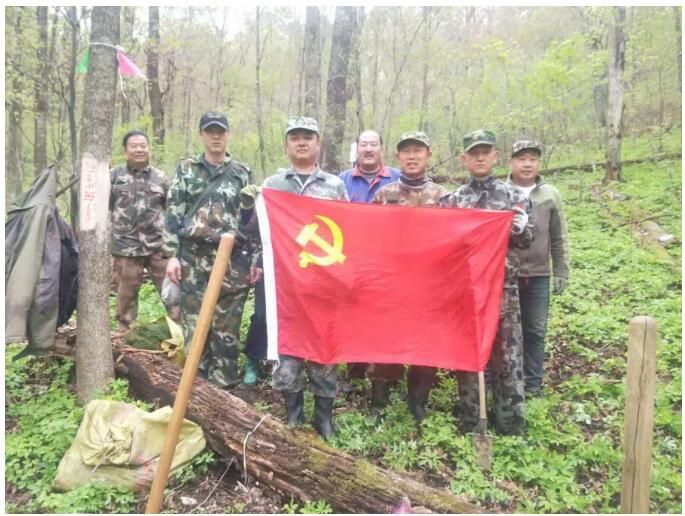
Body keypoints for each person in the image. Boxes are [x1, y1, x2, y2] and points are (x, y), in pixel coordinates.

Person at [261, 116, 348, 439]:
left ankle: (324, 418)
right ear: (286, 145)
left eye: (308, 137)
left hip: (324, 284)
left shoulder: (335, 186)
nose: (301, 142)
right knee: (288, 349)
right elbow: (263, 233)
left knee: (324, 349)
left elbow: (348, 230)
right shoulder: (272, 185)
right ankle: (293, 415)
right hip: (286, 285)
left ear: (318, 143)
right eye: (295, 137)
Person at [442, 129, 532, 436]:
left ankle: (511, 424)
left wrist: (520, 228)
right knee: (468, 355)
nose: (480, 158)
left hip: (503, 289)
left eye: (485, 152)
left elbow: (526, 242)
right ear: (464, 158)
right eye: (474, 153)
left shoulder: (513, 197)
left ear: (495, 156)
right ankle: (472, 421)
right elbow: (445, 247)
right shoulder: (453, 201)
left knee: (508, 357)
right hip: (466, 291)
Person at [162, 111, 259, 389]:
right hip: (193, 257)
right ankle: (198, 387)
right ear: (201, 135)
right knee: (195, 326)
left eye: (220, 132)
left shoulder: (241, 172)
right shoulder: (186, 168)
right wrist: (171, 256)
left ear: (228, 135)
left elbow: (252, 220)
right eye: (210, 131)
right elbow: (174, 211)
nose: (216, 137)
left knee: (227, 326)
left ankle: (225, 387)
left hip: (232, 259)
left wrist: (255, 258)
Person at [371, 131, 447, 423]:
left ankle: (418, 400)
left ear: (428, 155)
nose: (412, 156)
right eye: (406, 151)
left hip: (429, 285)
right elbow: (370, 236)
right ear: (397, 157)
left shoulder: (442, 196)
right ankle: (379, 399)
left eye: (418, 151)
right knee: (385, 340)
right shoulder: (384, 195)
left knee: (425, 342)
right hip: (391, 283)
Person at [507, 139, 569, 397]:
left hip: (539, 274)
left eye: (532, 159)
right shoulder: (502, 193)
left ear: (539, 163)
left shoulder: (550, 195)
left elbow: (559, 236)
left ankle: (532, 384)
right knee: (509, 332)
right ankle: (510, 381)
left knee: (535, 330)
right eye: (522, 159)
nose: (527, 164)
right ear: (511, 162)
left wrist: (561, 271)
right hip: (506, 275)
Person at [338, 130, 400, 386]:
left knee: (387, 320)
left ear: (381, 149)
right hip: (354, 263)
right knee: (355, 318)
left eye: (373, 144)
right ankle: (354, 374)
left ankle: (387, 377)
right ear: (357, 149)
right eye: (364, 144)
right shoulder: (342, 180)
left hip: (389, 264)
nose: (368, 149)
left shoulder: (397, 178)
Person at [110, 130, 170, 335]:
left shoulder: (161, 177)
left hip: (158, 246)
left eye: (143, 146)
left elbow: (171, 209)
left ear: (149, 149)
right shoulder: (114, 177)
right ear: (125, 151)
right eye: (134, 146)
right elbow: (105, 208)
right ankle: (125, 337)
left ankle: (180, 333)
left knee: (171, 293)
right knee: (125, 299)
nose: (139, 150)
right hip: (125, 247)